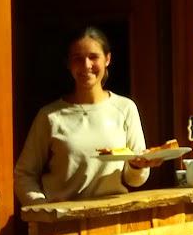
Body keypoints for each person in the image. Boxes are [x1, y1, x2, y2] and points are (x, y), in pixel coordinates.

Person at [15, 26, 152, 205]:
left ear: (107, 59)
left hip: (113, 219)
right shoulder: (50, 116)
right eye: (78, 59)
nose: (86, 65)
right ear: (69, 64)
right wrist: (42, 207)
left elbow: (136, 179)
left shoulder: (125, 108)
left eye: (93, 57)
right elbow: (24, 174)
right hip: (64, 224)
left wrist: (137, 166)